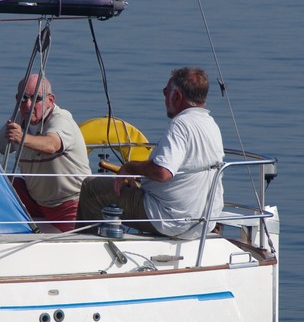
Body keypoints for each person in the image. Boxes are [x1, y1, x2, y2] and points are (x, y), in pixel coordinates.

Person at [76, 67, 224, 239]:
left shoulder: (181, 124)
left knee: (91, 187)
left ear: (177, 96)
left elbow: (163, 172)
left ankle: (88, 244)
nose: (165, 97)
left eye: (165, 92)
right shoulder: (211, 125)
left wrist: (131, 168)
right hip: (203, 221)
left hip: (168, 218)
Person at [0, 75, 89, 232]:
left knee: (77, 238)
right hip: (36, 201)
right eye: (23, 98)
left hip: (71, 203)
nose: (28, 105)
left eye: (37, 99)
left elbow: (51, 144)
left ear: (50, 100)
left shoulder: (61, 120)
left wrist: (22, 138)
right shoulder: (18, 120)